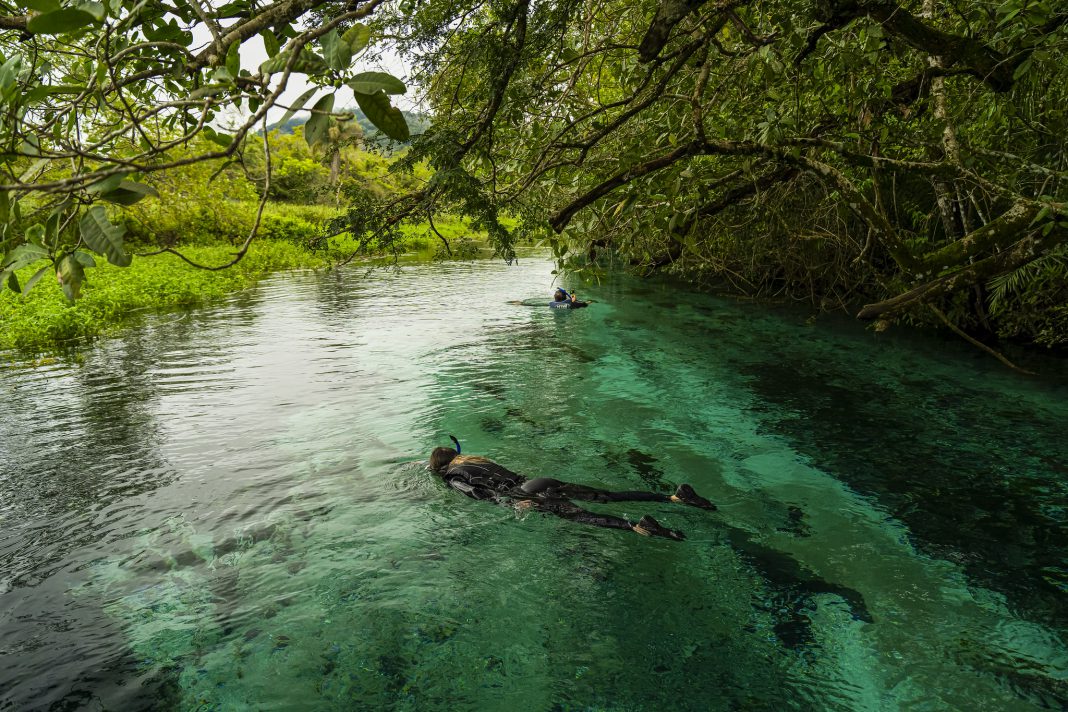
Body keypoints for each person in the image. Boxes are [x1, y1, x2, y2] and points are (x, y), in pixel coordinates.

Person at [428, 436, 715, 540]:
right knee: (609, 497)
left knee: (579, 516)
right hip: (540, 481)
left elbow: (478, 493)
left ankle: (637, 528)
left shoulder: (453, 476)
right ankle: (676, 498)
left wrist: (510, 504)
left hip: (526, 494)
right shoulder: (478, 459)